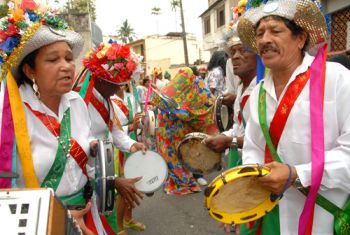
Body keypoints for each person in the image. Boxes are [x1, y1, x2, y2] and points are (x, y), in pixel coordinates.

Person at [0, 2, 141, 234]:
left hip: (86, 214)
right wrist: (57, 217)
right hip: (39, 224)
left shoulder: (76, 103)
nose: (66, 66)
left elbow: (85, 168)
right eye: (53, 60)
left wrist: (109, 179)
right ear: (29, 70)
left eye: (68, 58)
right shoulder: (10, 114)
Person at [236, 0, 350, 234]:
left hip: (325, 218)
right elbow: (253, 146)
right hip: (269, 215)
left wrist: (298, 174)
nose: (265, 40)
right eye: (259, 34)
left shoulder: (336, 78)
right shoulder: (258, 91)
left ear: (300, 39)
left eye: (275, 31)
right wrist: (248, 184)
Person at [75, 42, 147, 234]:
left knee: (106, 220)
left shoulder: (106, 100)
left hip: (103, 172)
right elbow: (80, 147)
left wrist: (132, 145)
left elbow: (114, 130)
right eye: (116, 85)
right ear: (102, 80)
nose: (118, 90)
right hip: (88, 176)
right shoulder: (79, 100)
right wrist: (111, 179)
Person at [153, 67, 218, 195]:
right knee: (178, 152)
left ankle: (189, 177)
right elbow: (169, 104)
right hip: (171, 127)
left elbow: (205, 106)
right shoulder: (180, 89)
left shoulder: (193, 86)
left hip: (176, 126)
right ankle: (185, 178)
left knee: (181, 151)